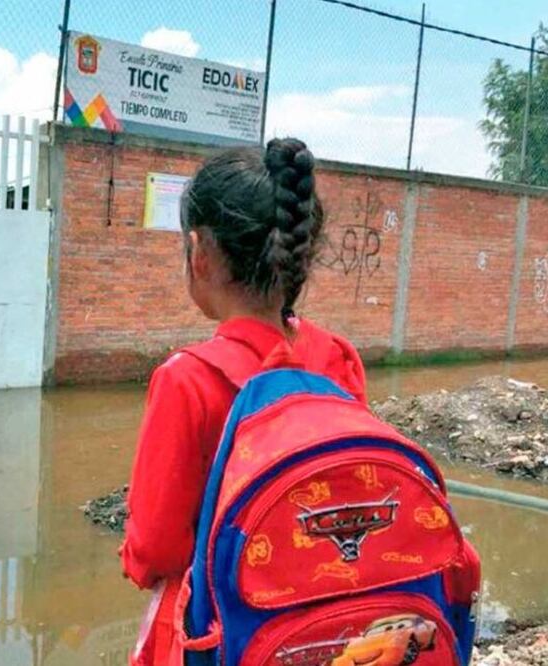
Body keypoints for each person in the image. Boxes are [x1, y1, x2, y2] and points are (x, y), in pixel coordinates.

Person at [120, 138, 368, 666]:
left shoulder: (186, 380)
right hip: (326, 626)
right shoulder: (337, 359)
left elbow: (157, 549)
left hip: (223, 636)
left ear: (199, 252)